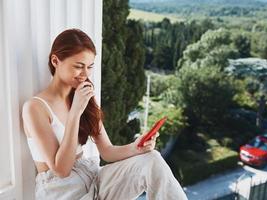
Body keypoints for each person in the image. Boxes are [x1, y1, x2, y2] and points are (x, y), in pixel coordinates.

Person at [22, 29, 188, 200]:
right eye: (78, 66)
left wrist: (136, 147)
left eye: (90, 67)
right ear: (56, 61)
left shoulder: (82, 96)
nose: (85, 74)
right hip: (63, 192)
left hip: (94, 178)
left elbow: (107, 151)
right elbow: (61, 170)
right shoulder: (35, 108)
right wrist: (75, 113)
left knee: (152, 159)